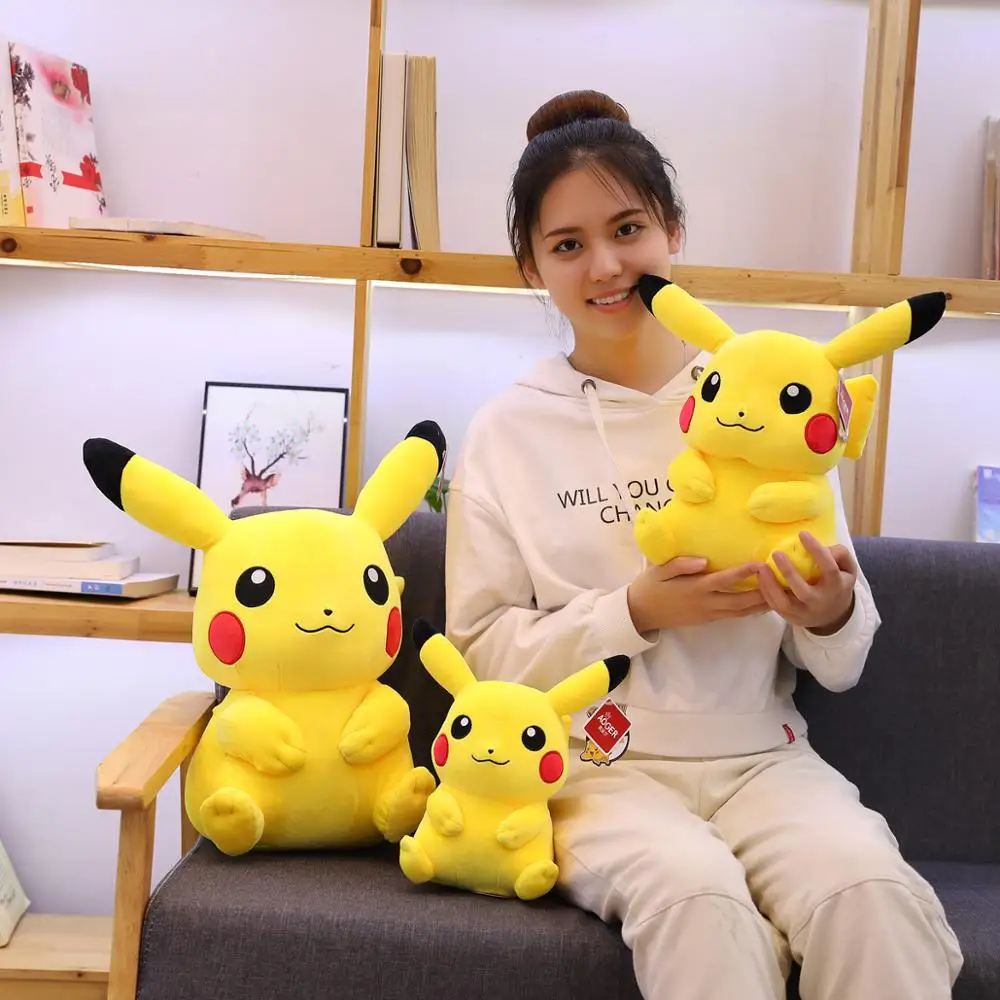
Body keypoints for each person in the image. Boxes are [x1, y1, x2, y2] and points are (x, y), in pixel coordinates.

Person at [443, 89, 963, 1000]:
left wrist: (831, 610)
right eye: (567, 245)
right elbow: (481, 653)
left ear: (673, 230)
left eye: (628, 229)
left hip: (766, 757)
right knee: (698, 902)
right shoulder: (505, 433)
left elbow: (840, 662)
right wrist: (634, 611)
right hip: (596, 769)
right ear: (532, 268)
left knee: (871, 897)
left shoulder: (771, 396)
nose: (606, 265)